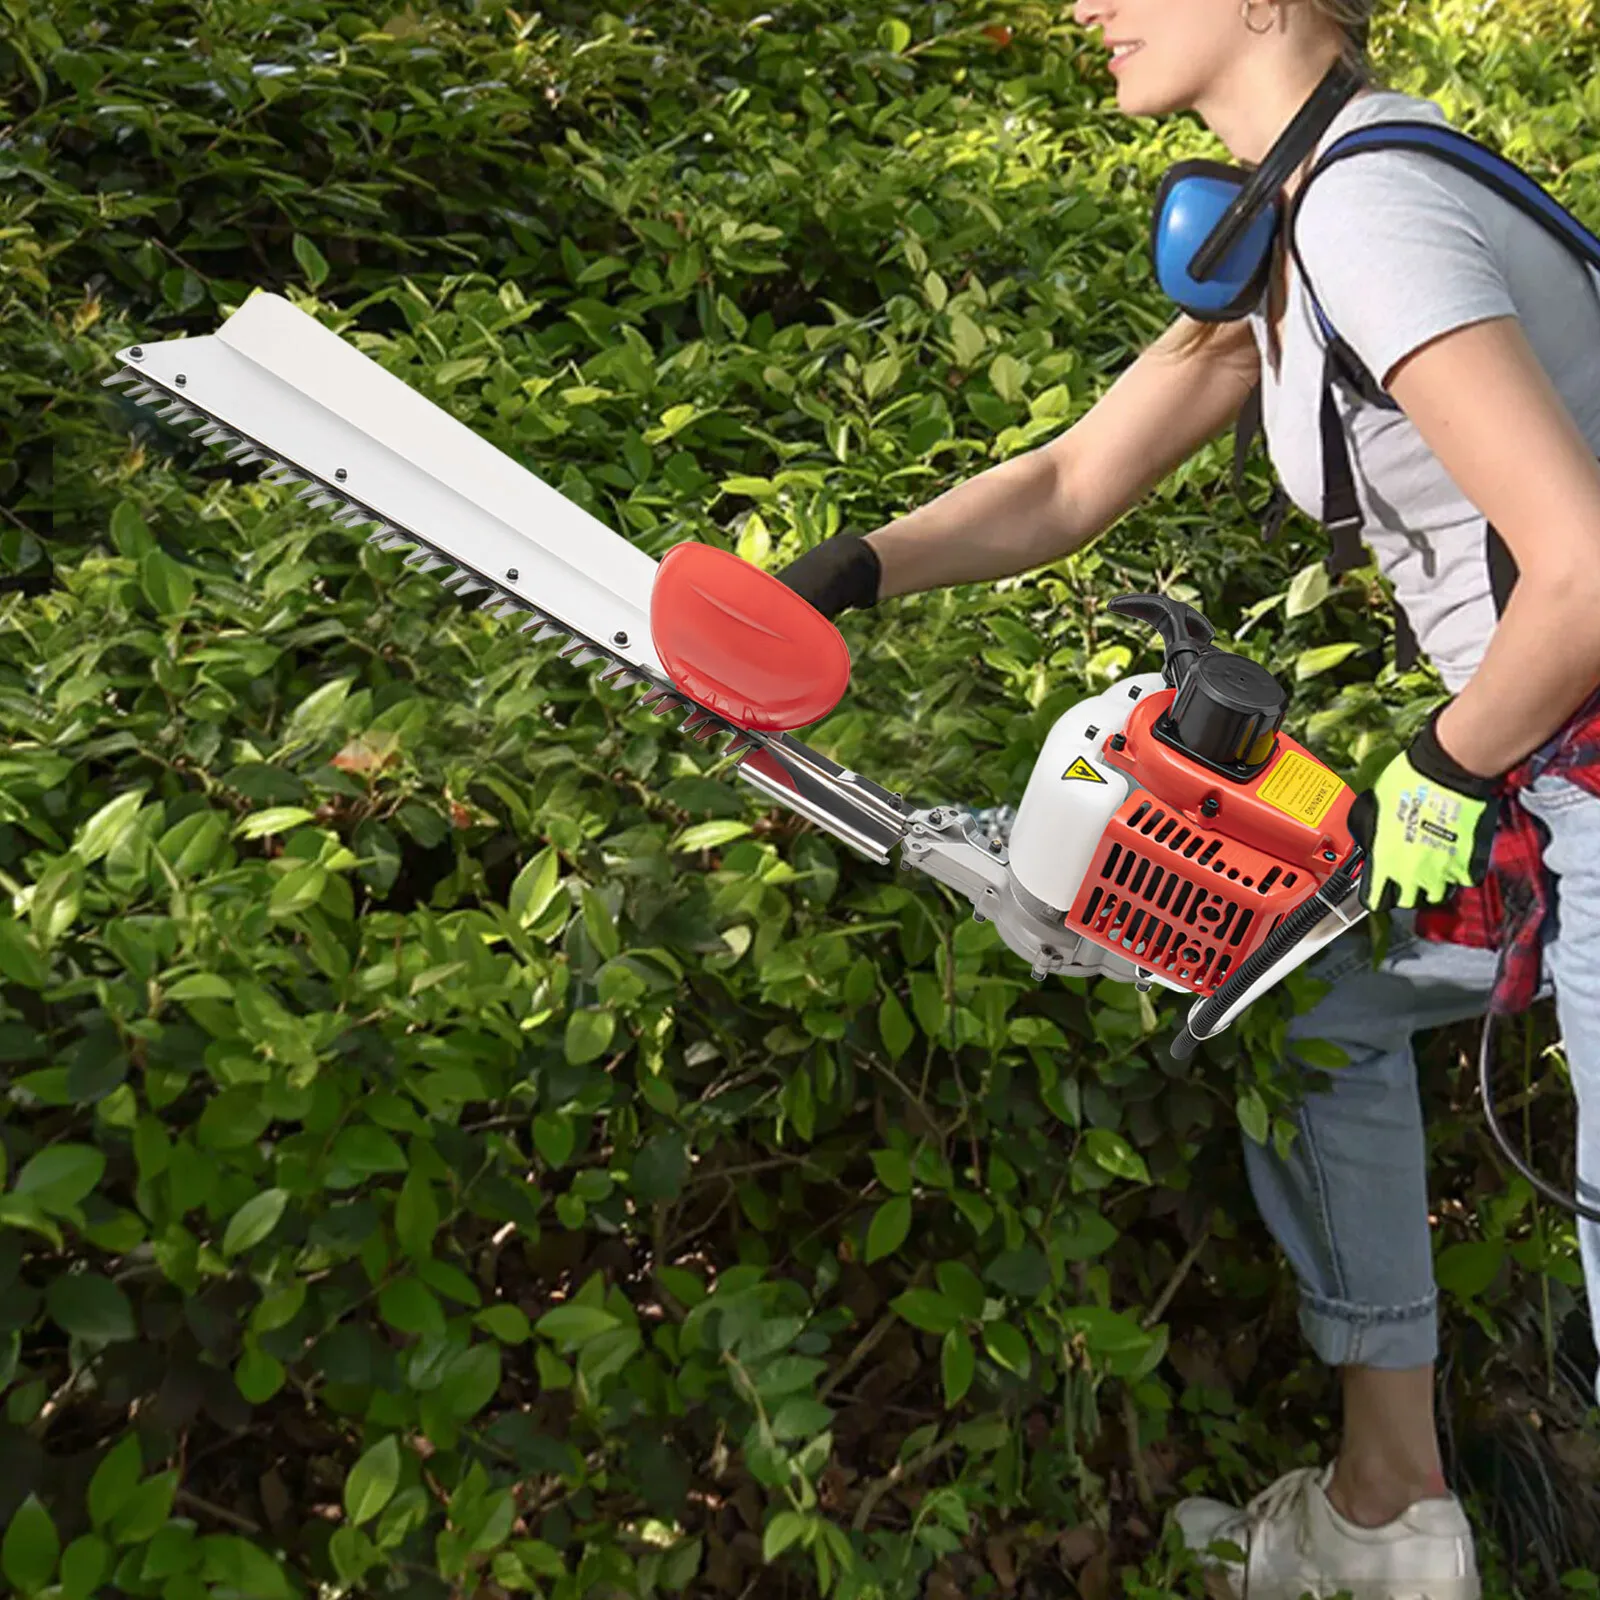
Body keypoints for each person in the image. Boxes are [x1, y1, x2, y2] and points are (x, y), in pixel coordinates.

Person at [773, 1, 1600, 1596]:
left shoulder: (1367, 207)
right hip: (1548, 766)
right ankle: (1388, 1520)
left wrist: (1443, 764)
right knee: (1313, 1005)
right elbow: (1072, 482)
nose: (1081, 5)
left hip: (1566, 760)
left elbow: (1581, 567)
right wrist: (838, 576)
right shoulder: (1290, 225)